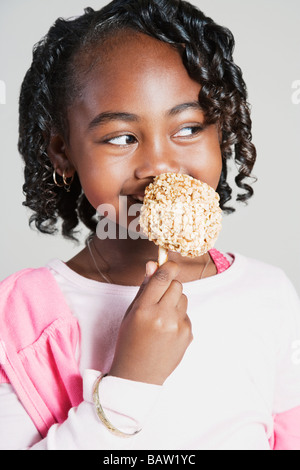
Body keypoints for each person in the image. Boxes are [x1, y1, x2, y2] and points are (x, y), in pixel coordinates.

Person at [0, 0, 299, 450]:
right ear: (63, 152)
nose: (160, 164)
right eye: (122, 137)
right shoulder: (22, 315)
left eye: (189, 128)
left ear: (223, 131)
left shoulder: (268, 293)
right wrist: (130, 382)